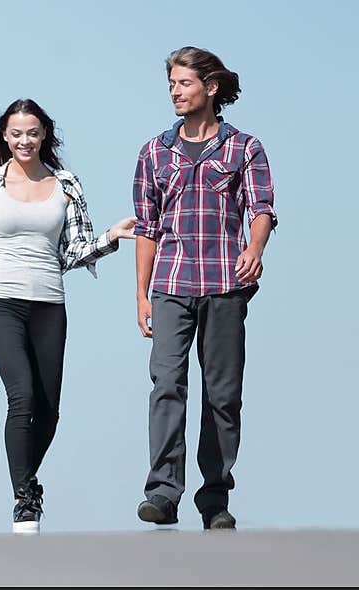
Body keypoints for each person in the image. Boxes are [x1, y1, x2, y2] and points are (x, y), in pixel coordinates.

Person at [0, 99, 136, 534]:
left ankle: (26, 477)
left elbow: (73, 250)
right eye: (16, 133)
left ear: (44, 136)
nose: (24, 140)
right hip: (0, 302)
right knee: (21, 397)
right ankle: (25, 498)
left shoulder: (66, 183)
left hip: (49, 304)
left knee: (50, 409)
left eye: (33, 133)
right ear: (4, 135)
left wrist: (110, 238)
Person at [133, 47, 276, 530]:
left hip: (225, 283)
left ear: (210, 88)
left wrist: (255, 247)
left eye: (184, 83)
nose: (175, 91)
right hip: (171, 284)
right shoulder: (154, 152)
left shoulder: (245, 148)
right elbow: (147, 228)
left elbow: (261, 207)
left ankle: (214, 499)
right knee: (166, 386)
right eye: (171, 83)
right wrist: (141, 294)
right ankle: (162, 493)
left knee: (222, 394)